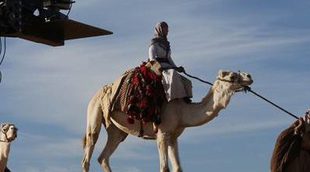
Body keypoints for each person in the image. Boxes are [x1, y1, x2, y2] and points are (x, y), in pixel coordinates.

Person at [148, 21, 192, 103]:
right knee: (172, 74)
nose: (167, 31)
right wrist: (159, 69)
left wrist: (177, 68)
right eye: (165, 29)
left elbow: (169, 59)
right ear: (159, 30)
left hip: (169, 67)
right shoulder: (154, 44)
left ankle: (185, 98)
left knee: (187, 81)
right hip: (160, 68)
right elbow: (152, 60)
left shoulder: (166, 45)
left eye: (167, 29)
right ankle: (173, 98)